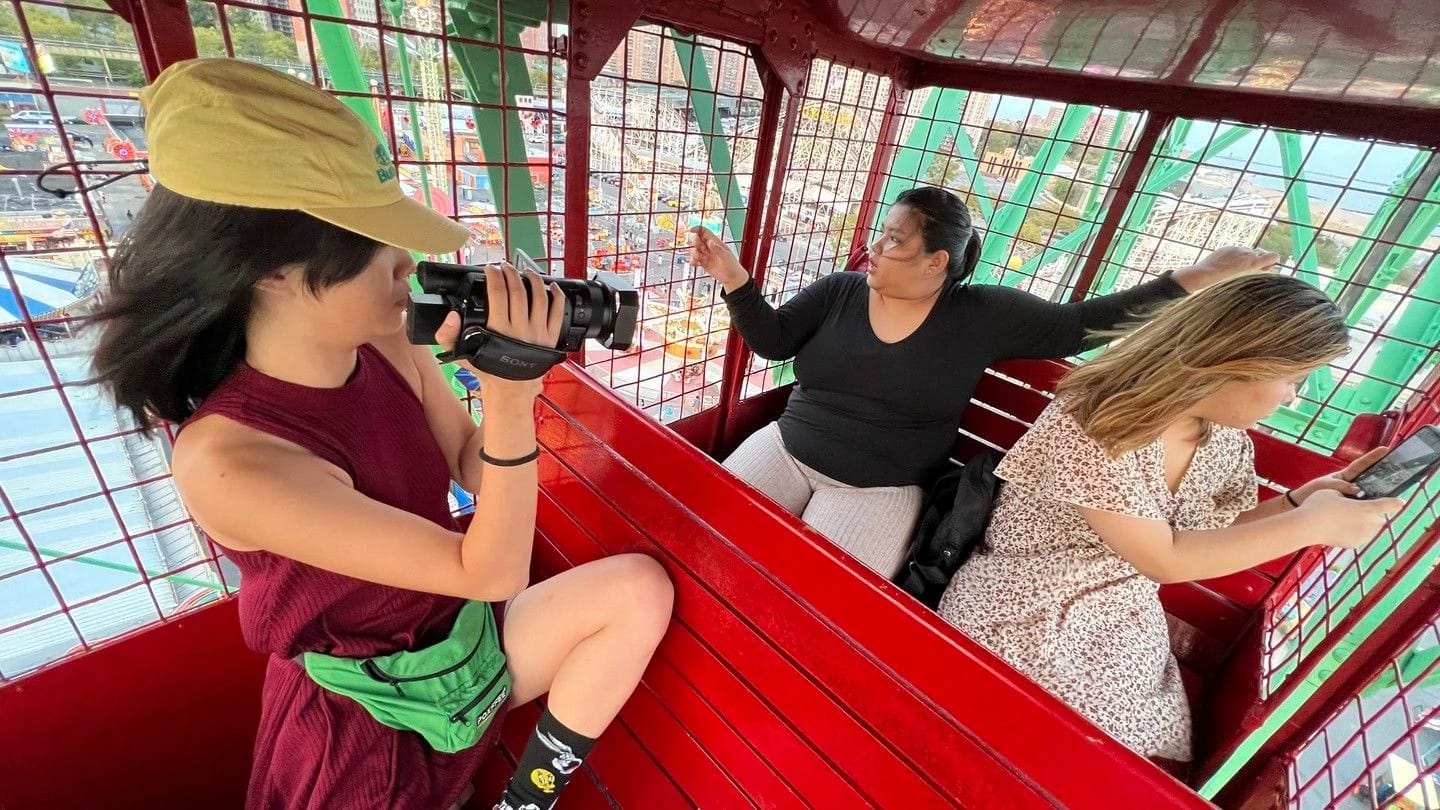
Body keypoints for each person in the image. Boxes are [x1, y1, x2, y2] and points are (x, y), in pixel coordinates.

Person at [89, 58, 674, 810]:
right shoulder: (229, 459)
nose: (407, 262)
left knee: (636, 592)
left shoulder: (388, 343)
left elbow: (469, 458)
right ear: (273, 269)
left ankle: (524, 800)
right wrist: (508, 399)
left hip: (459, 643)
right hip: (361, 716)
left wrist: (507, 384)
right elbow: (489, 569)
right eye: (375, 239)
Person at [935, 273, 1404, 772]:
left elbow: (1212, 527)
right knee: (1097, 765)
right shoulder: (1096, 423)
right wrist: (1309, 526)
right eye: (1295, 379)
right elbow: (1164, 557)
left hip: (1120, 613)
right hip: (1025, 607)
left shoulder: (1222, 441)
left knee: (1150, 760)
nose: (1293, 398)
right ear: (1240, 360)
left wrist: (1298, 501)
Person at [689, 186, 1277, 577]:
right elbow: (774, 340)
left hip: (877, 488)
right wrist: (736, 279)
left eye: (894, 239)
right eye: (880, 232)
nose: (874, 247)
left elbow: (1081, 328)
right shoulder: (840, 291)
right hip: (789, 448)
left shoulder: (980, 316)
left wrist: (1196, 278)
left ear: (937, 261)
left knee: (815, 590)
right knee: (705, 534)